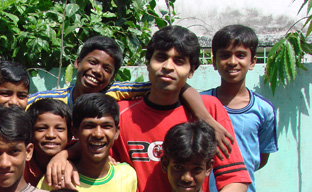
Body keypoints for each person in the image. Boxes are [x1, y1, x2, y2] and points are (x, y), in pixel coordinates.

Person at [112, 25, 251, 192]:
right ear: (148, 63)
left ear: (192, 70)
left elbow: (236, 180)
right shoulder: (121, 114)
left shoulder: (209, 110)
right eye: (161, 58)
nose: (168, 66)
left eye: (179, 61)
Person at [28, 35, 234, 158]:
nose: (97, 71)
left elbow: (176, 86)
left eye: (106, 68)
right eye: (91, 62)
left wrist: (206, 120)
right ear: (77, 62)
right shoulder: (47, 100)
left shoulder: (115, 94)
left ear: (113, 76)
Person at [202, 24, 278, 192]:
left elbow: (259, 159)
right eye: (224, 55)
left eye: (240, 55)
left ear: (253, 61)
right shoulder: (200, 105)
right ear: (213, 61)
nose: (232, 62)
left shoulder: (263, 110)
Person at [37, 93, 136, 192]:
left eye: (106, 126)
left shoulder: (128, 176)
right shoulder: (55, 178)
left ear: (116, 132)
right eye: (89, 126)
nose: (98, 134)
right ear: (75, 131)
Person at [25, 99, 72, 186]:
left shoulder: (76, 153)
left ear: (70, 135)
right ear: (30, 133)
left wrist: (64, 154)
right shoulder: (22, 162)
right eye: (42, 128)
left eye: (59, 129)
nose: (51, 135)